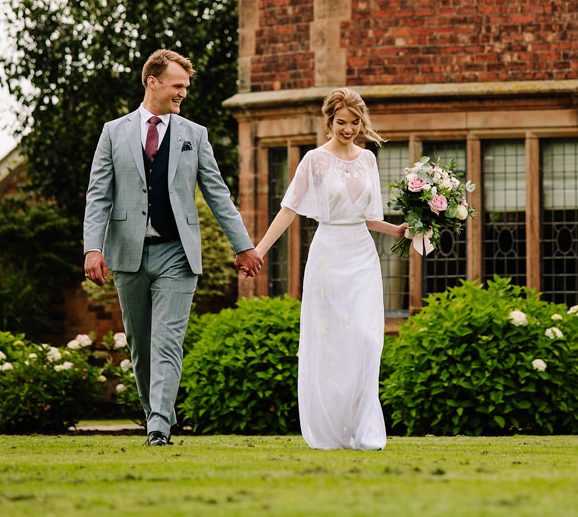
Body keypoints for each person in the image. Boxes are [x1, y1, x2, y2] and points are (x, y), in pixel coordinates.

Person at [83, 49, 263, 446]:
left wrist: (244, 246)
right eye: (177, 85)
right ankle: (157, 418)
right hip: (128, 253)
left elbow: (218, 195)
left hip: (177, 254)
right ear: (153, 81)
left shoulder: (194, 135)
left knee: (167, 342)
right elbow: (98, 195)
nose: (183, 92)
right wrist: (92, 249)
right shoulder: (113, 132)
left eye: (185, 86)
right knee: (141, 347)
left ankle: (159, 428)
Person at [251, 88, 407, 450]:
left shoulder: (368, 160)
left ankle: (363, 429)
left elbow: (371, 218)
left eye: (355, 123)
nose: (348, 129)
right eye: (341, 122)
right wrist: (258, 251)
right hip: (328, 255)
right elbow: (289, 209)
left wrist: (399, 230)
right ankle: (332, 430)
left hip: (363, 255)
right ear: (329, 122)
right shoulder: (314, 161)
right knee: (332, 343)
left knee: (367, 339)